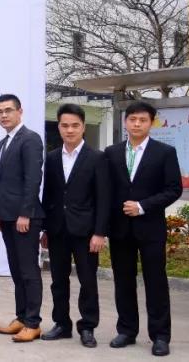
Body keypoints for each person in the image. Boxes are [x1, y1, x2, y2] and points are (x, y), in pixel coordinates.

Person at [105, 101, 182, 357]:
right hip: (120, 229)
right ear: (125, 122)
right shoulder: (112, 153)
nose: (137, 124)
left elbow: (174, 189)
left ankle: (160, 336)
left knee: (155, 282)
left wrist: (142, 206)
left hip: (150, 229)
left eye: (143, 120)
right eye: (133, 119)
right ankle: (127, 330)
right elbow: (106, 190)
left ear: (151, 123)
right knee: (123, 281)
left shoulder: (164, 152)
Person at [40, 104, 111, 348]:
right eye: (64, 125)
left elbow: (103, 198)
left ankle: (88, 326)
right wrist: (46, 229)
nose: (69, 130)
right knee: (58, 280)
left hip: (86, 231)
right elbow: (48, 196)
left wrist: (100, 232)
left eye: (75, 125)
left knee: (87, 281)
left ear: (83, 127)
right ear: (58, 127)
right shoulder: (51, 158)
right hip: (57, 230)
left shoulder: (97, 157)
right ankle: (61, 324)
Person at [0, 93, 45, 342]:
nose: (4, 115)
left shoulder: (30, 139)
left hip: (25, 218)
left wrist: (25, 213)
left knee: (28, 270)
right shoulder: (4, 142)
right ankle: (21, 317)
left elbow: (33, 179)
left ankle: (33, 322)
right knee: (16, 270)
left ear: (20, 111)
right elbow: (4, 183)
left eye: (8, 110)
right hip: (8, 217)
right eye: (0, 111)